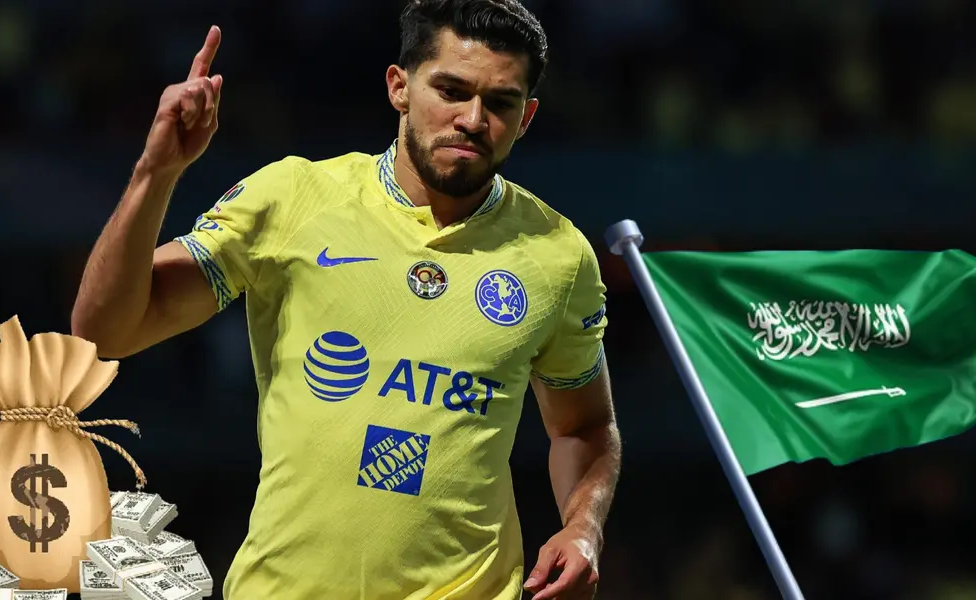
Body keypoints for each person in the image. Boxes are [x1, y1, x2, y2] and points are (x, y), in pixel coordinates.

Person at [71, 0, 621, 598]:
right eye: (452, 90)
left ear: (527, 117)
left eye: (500, 102)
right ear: (399, 87)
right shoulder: (292, 198)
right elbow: (106, 332)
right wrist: (157, 172)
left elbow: (585, 426)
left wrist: (583, 527)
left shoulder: (557, 254)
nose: (471, 118)